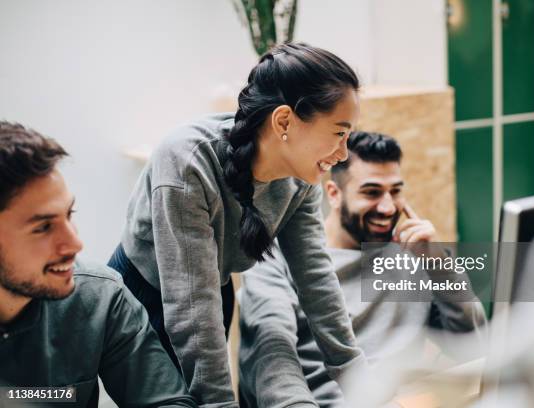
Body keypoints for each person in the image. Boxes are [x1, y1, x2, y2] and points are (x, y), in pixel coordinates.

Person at [108, 42, 365, 406]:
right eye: (339, 133)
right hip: (144, 298)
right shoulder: (187, 162)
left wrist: (366, 385)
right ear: (284, 121)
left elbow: (316, 281)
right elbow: (190, 308)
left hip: (213, 289)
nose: (343, 153)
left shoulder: (303, 178)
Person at [238, 131, 487, 407]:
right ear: (334, 194)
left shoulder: (413, 257)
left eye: (395, 191)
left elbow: (473, 346)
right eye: (371, 192)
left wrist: (439, 265)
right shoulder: (277, 260)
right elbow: (269, 368)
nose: (387, 206)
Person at [0, 122, 196, 407]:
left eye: (69, 214)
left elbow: (167, 402)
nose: (75, 244)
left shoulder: (99, 297)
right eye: (43, 227)